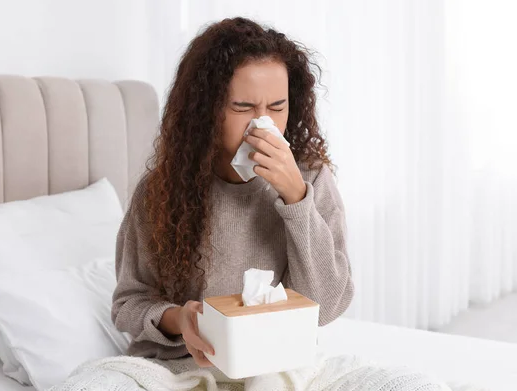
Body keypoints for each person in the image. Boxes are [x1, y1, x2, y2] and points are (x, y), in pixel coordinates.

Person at [111, 16, 354, 368]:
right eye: (242, 108)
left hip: (272, 366)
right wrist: (182, 319)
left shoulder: (311, 180)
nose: (262, 124)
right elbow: (128, 303)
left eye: (277, 107)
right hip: (179, 367)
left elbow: (324, 308)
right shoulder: (162, 190)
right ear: (206, 111)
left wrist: (296, 199)